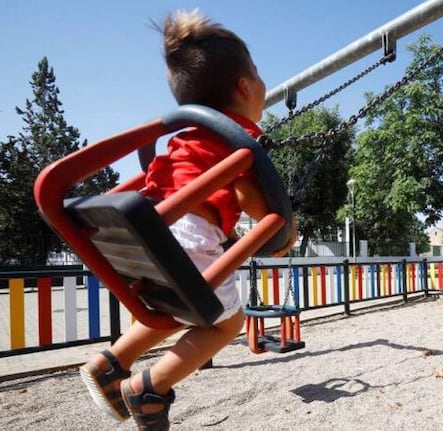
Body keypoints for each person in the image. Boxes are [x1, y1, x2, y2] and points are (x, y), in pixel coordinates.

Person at [79, 10, 296, 430]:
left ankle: (110, 362)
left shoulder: (185, 138)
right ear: (245, 86)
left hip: (152, 234)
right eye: (260, 74)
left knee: (178, 306)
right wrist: (285, 229)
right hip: (188, 235)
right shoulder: (236, 139)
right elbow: (252, 200)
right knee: (226, 322)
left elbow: (204, 195)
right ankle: (149, 387)